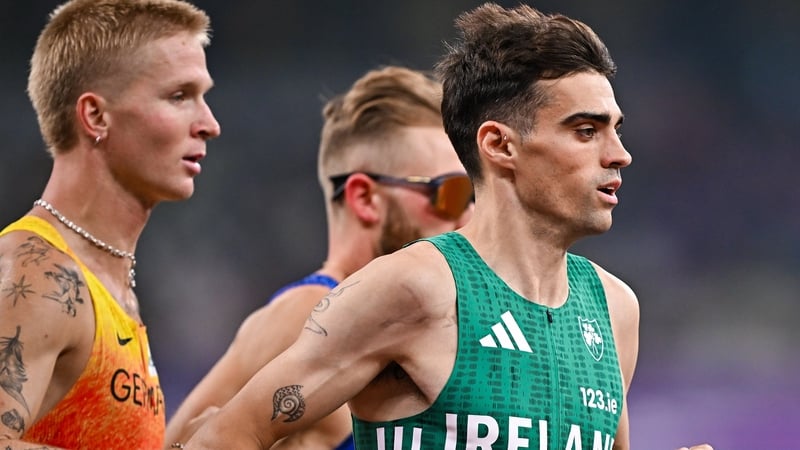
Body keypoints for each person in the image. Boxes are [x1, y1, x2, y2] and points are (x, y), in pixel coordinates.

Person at [185, 4, 711, 450]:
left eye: (615, 130)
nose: (619, 155)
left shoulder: (615, 308)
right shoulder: (412, 287)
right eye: (585, 131)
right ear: (500, 145)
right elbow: (223, 437)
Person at [165, 65, 473, 449]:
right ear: (364, 198)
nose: (469, 216)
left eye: (476, 195)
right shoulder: (309, 313)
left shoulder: (418, 325)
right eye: (452, 193)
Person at [0, 0, 220, 448]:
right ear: (96, 116)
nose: (209, 124)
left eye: (204, 96)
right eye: (179, 96)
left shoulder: (106, 283)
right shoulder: (38, 275)